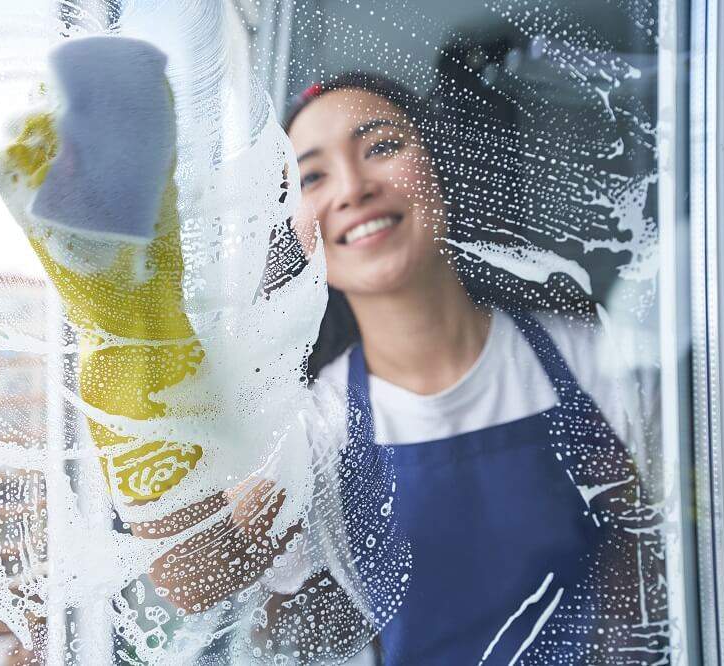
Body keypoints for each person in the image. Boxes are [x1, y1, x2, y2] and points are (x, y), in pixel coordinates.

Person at [278, 72, 667, 665]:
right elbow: (231, 594)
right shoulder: (315, 434)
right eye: (312, 176)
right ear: (297, 235)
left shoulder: (592, 363)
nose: (352, 188)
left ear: (441, 168)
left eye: (381, 147)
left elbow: (674, 550)